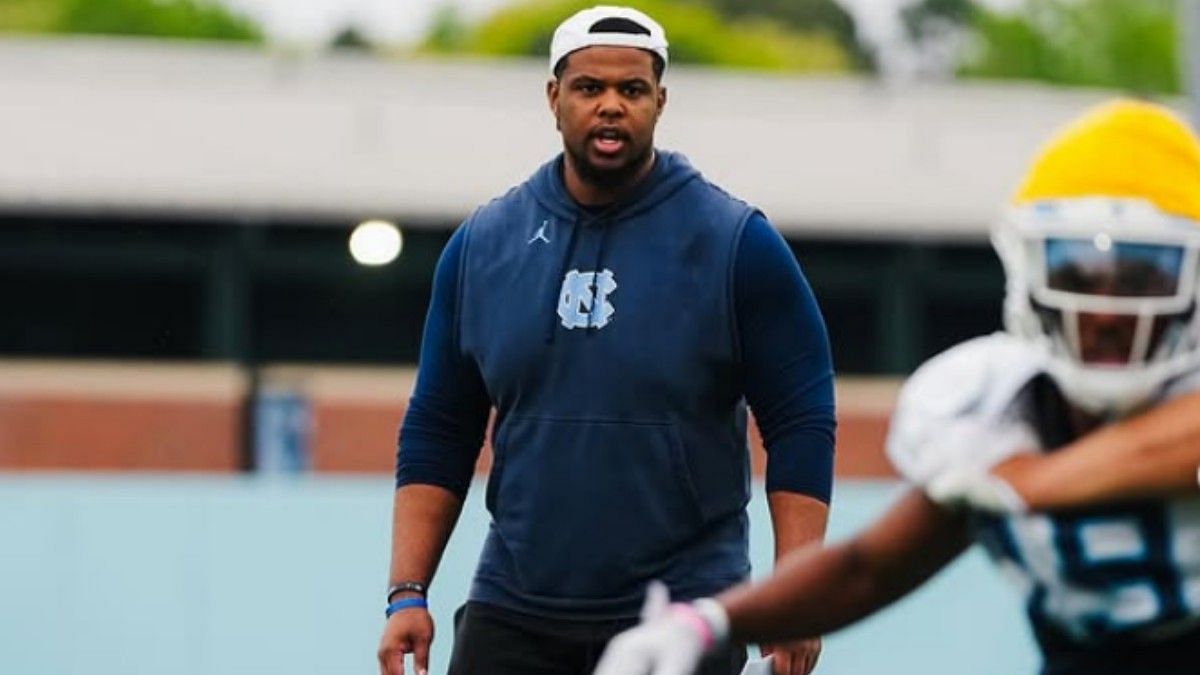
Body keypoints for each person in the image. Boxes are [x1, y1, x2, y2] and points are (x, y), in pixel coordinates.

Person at [595, 98, 1200, 675]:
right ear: (1029, 272)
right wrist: (704, 623)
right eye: (1079, 273)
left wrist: (1028, 483)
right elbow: (867, 570)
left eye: (1145, 276)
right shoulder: (998, 411)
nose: (1108, 311)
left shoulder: (1012, 470)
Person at [376, 6, 836, 675]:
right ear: (553, 97)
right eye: (590, 88)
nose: (611, 106)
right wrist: (406, 591)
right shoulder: (483, 245)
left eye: (633, 89)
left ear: (662, 100)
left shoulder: (736, 243)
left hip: (681, 609)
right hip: (515, 605)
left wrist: (798, 594)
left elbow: (800, 419)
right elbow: (440, 427)